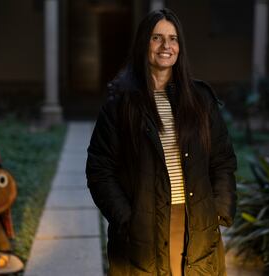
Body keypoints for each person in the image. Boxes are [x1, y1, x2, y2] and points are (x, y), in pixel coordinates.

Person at [86, 8, 237, 276]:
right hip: (143, 229)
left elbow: (222, 159)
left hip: (196, 224)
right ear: (144, 43)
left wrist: (218, 210)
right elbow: (99, 169)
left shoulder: (200, 99)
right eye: (157, 38)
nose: (166, 46)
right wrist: (126, 218)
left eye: (173, 38)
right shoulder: (121, 103)